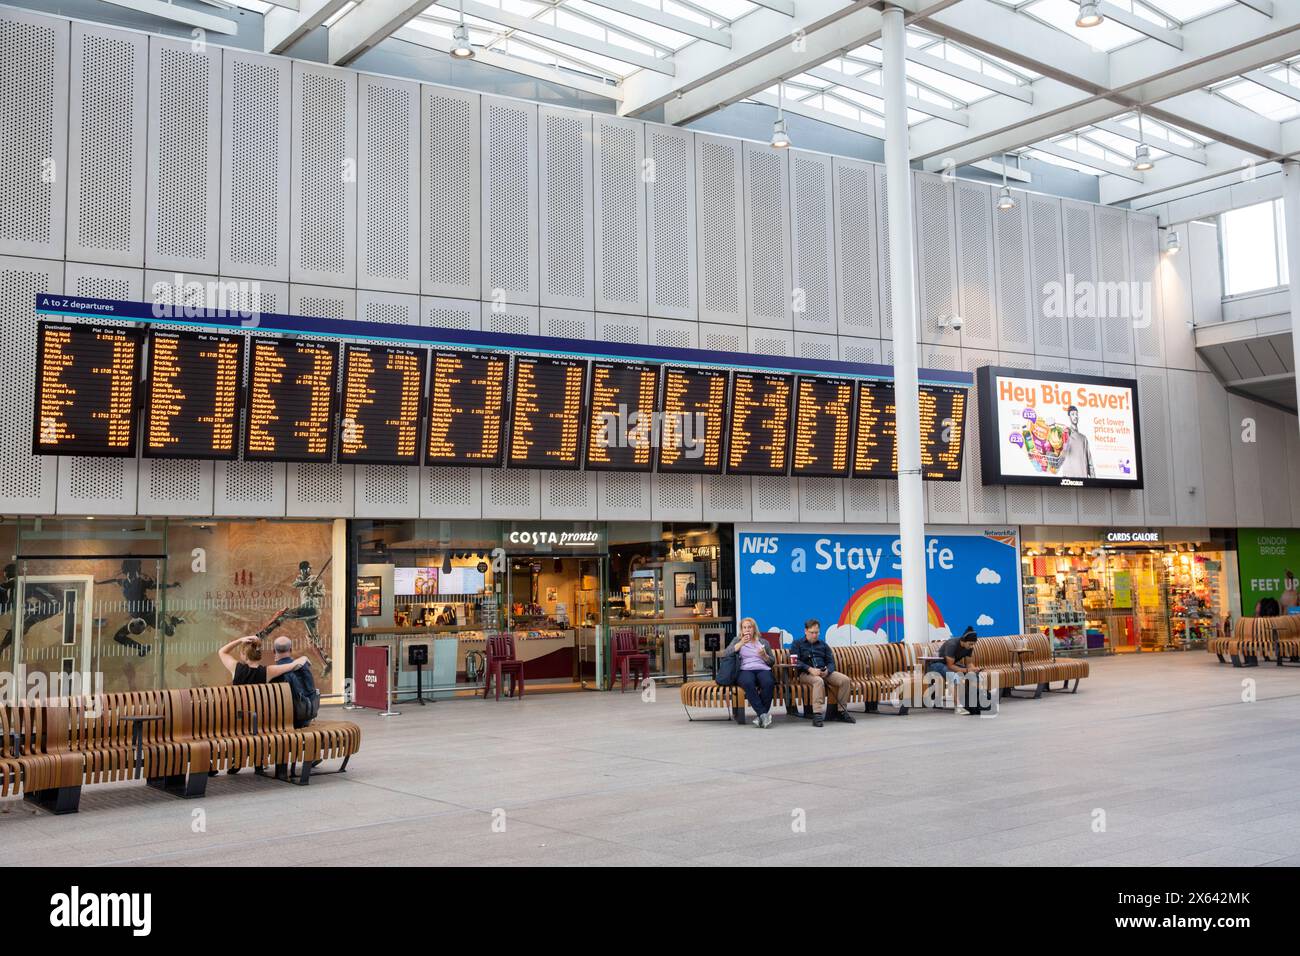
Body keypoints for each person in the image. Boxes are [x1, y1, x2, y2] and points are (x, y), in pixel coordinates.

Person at [103, 559, 183, 656]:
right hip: (136, 619)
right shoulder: (124, 583)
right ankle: (143, 648)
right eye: (132, 572)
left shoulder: (141, 582)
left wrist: (171, 586)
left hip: (149, 615)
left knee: (170, 632)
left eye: (135, 571)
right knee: (119, 636)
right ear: (127, 571)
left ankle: (174, 621)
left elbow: (158, 586)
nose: (135, 574)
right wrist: (97, 583)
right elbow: (112, 580)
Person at [789, 618, 855, 727]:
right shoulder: (797, 644)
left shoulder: (823, 645)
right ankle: (817, 714)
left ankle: (841, 711)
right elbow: (796, 662)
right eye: (812, 632)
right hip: (806, 674)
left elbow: (831, 662)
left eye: (817, 632)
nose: (815, 635)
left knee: (845, 680)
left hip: (823, 672)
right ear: (805, 631)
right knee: (818, 681)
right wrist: (810, 669)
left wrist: (828, 670)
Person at [281, 560, 332, 677]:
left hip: (312, 608)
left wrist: (314, 591)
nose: (306, 571)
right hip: (306, 610)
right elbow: (295, 584)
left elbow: (322, 593)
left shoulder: (316, 579)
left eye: (308, 569)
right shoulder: (301, 579)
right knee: (312, 637)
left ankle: (326, 661)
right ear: (301, 570)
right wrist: (308, 584)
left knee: (286, 615)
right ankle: (326, 661)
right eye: (304, 569)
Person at [723, 617, 775, 729]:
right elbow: (726, 653)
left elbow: (772, 662)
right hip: (745, 669)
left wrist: (764, 656)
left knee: (768, 682)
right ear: (741, 630)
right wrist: (741, 643)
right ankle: (763, 714)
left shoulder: (763, 642)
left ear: (754, 629)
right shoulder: (737, 640)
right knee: (747, 682)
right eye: (744, 627)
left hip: (762, 668)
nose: (747, 630)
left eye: (749, 627)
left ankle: (761, 716)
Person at [0, 563, 62, 657]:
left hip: (52, 605)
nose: (7, 579)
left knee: (23, 624)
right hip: (51, 604)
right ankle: (3, 646)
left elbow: (8, 604)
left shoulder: (21, 585)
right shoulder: (18, 585)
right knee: (22, 624)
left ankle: (3, 647)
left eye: (7, 577)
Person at [927, 626, 981, 715]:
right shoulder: (952, 644)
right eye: (970, 644)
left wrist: (973, 669)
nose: (972, 646)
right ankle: (958, 707)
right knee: (953, 677)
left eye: (973, 644)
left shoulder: (969, 648)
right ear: (963, 641)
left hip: (948, 665)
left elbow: (969, 664)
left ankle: (973, 703)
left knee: (974, 675)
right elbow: (950, 666)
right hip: (936, 665)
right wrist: (967, 670)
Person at [217, 634, 308, 686]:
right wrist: (303, 658)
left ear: (245, 655)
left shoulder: (236, 668)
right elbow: (294, 665)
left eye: (241, 652)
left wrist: (240, 640)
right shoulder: (269, 671)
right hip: (260, 717)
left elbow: (222, 652)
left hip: (239, 716)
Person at [1058, 405, 1095, 479]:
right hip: (1068, 482)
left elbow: (1090, 463)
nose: (1075, 416)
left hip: (1084, 482)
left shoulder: (1083, 438)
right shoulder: (1064, 434)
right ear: (1069, 417)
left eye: (1076, 414)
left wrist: (1094, 482)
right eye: (1073, 414)